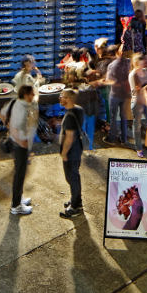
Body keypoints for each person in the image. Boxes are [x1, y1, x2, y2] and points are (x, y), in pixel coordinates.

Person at [3, 84, 38, 216]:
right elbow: (15, 128)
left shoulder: (14, 102)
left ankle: (18, 198)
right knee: (19, 175)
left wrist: (10, 129)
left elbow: (2, 115)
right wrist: (21, 142)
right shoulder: (22, 109)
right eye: (32, 94)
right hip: (20, 146)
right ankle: (16, 206)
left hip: (16, 144)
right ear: (26, 95)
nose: (33, 96)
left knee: (20, 173)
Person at [59, 88, 85, 218]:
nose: (60, 98)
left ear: (69, 99)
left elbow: (69, 138)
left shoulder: (69, 117)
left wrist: (64, 153)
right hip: (77, 148)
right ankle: (75, 199)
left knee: (71, 177)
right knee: (73, 176)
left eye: (63, 96)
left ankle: (75, 207)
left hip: (71, 152)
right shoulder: (78, 109)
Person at [104, 47, 130, 145]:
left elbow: (109, 80)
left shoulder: (111, 65)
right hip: (125, 94)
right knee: (124, 117)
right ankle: (124, 139)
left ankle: (112, 138)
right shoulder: (129, 63)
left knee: (113, 117)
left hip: (115, 94)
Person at [129, 53, 147, 158]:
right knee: (137, 125)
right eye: (140, 64)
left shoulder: (145, 71)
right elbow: (135, 90)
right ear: (135, 63)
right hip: (137, 102)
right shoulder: (133, 75)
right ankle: (138, 148)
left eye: (143, 64)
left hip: (146, 101)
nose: (142, 66)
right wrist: (145, 87)